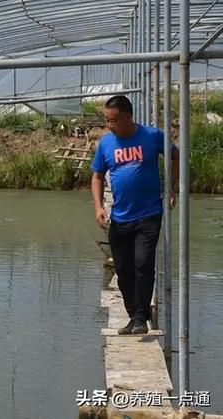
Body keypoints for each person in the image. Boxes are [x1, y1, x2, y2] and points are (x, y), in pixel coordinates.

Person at [91, 95, 179, 335]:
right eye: (107, 120)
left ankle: (140, 318)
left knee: (143, 263)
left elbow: (175, 154)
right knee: (123, 270)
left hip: (149, 214)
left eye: (114, 120)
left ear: (128, 117)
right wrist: (99, 207)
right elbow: (97, 176)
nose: (110, 125)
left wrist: (172, 187)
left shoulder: (151, 136)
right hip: (120, 217)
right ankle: (134, 315)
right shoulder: (107, 144)